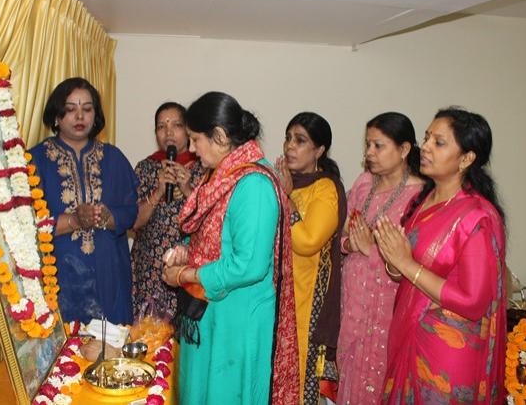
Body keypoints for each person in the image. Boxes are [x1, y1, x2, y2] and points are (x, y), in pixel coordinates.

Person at [161, 91, 299, 405]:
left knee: (226, 393)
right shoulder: (222, 176)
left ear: (220, 137)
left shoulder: (254, 184)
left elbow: (249, 265)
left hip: (238, 319)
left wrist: (186, 274)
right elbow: (211, 233)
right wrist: (186, 249)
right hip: (211, 312)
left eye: (196, 139)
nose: (192, 149)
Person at [375, 107, 506, 404]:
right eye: (427, 138)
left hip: (447, 354)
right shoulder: (424, 201)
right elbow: (407, 272)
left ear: (467, 158)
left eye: (439, 142)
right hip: (410, 334)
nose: (427, 148)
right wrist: (395, 260)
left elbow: (474, 302)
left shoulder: (476, 217)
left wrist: (406, 263)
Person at [29, 77, 139, 326]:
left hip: (109, 275)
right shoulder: (36, 160)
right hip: (59, 277)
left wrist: (108, 216)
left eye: (87, 109)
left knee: (111, 354)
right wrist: (73, 220)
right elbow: (26, 225)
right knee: (64, 356)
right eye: (70, 109)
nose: (80, 116)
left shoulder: (113, 157)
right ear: (57, 117)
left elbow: (131, 211)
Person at [336, 112, 423, 404]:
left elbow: (417, 254)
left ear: (404, 149)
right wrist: (351, 245)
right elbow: (341, 234)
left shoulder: (420, 194)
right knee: (352, 368)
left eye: (378, 145)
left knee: (383, 375)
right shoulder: (363, 183)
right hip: (355, 300)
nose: (369, 153)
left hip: (390, 300)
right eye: (367, 145)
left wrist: (370, 249)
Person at [275, 112, 346, 404]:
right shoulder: (285, 183)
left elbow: (306, 241)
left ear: (319, 150)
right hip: (279, 296)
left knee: (300, 379)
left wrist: (287, 198)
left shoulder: (325, 188)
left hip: (307, 302)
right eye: (289, 139)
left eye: (300, 140)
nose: (290, 146)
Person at [130, 102, 204, 320]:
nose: (168, 132)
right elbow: (133, 222)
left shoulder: (204, 168)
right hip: (150, 270)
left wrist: (187, 188)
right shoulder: (145, 168)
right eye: (161, 126)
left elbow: (212, 221)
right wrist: (158, 191)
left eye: (176, 125)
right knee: (149, 340)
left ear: (188, 130)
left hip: (188, 268)